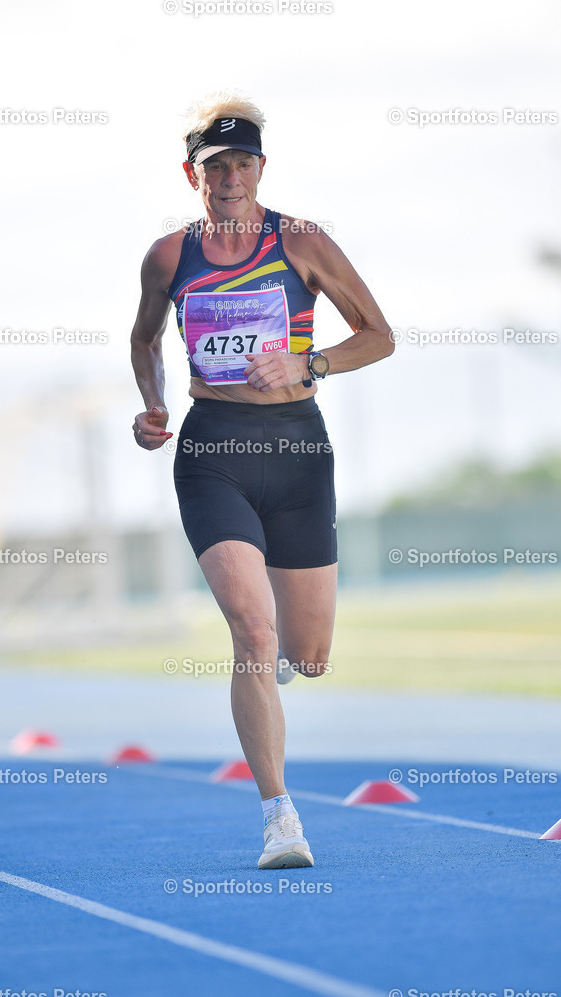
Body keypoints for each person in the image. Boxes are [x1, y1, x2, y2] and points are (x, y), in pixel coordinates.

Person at [131, 90, 394, 869]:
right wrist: (153, 405)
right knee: (251, 630)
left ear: (260, 168)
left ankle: (282, 655)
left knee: (306, 656)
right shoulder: (167, 257)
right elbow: (143, 339)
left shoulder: (301, 241)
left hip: (298, 453)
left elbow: (378, 335)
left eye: (242, 163)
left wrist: (309, 362)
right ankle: (280, 817)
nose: (230, 179)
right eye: (216, 167)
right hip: (213, 451)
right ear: (193, 175)